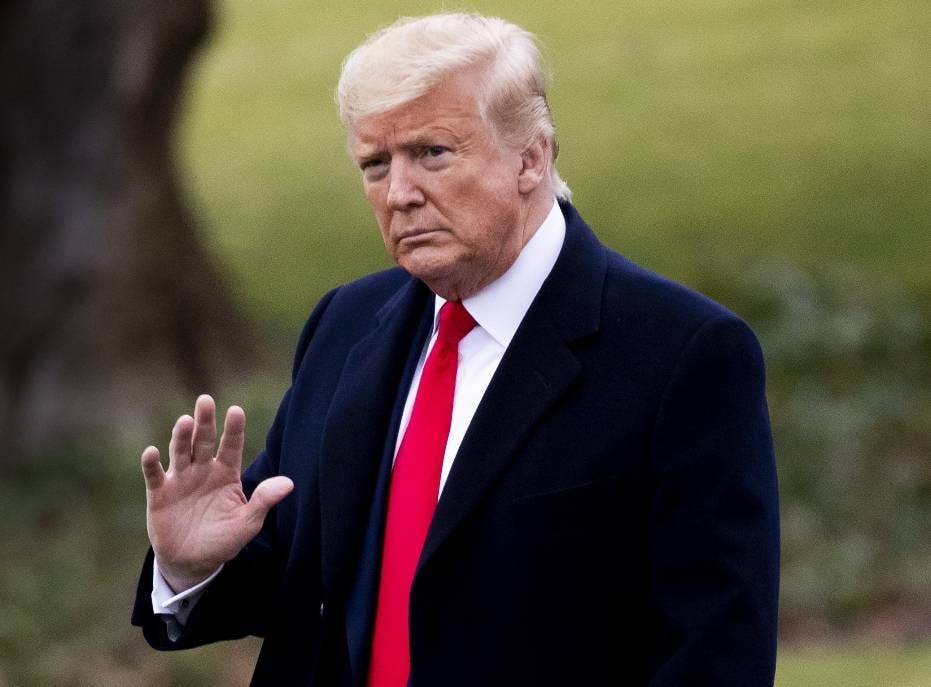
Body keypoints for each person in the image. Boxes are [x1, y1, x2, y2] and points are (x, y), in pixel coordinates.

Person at [133, 12, 780, 687]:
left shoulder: (681, 352)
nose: (400, 194)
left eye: (431, 153)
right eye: (375, 164)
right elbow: (310, 579)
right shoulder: (347, 323)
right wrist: (191, 563)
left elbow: (716, 649)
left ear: (531, 157)